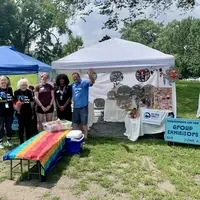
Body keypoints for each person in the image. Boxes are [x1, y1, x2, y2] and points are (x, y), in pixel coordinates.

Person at [71, 70, 95, 140]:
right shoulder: (73, 85)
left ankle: (86, 137)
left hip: (83, 107)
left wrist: (90, 76)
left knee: (84, 123)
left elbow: (92, 82)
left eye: (76, 77)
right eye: (74, 77)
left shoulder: (84, 82)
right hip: (76, 107)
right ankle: (80, 135)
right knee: (78, 123)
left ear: (79, 77)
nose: (75, 78)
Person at [14, 79, 33, 144]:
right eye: (22, 85)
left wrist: (32, 109)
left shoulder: (29, 91)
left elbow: (32, 101)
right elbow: (14, 101)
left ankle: (28, 140)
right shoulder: (16, 92)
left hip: (28, 112)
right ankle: (21, 140)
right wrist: (16, 107)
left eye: (25, 85)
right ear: (19, 85)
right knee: (21, 127)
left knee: (28, 127)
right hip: (20, 112)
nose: (24, 86)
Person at [0, 76, 14, 148]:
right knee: (1, 127)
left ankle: (9, 140)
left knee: (9, 127)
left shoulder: (10, 89)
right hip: (0, 112)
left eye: (5, 80)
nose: (3, 82)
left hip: (9, 112)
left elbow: (12, 99)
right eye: (2, 80)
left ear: (7, 81)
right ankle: (0, 141)